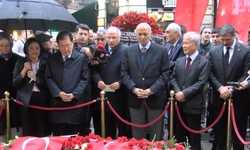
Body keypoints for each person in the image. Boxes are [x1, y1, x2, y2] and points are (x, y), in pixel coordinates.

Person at [121, 22, 170, 141]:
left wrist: (151, 90)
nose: (142, 37)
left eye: (145, 34)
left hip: (155, 98)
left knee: (156, 135)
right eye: (139, 34)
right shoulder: (128, 51)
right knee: (137, 135)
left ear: (151, 34)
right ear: (135, 35)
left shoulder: (161, 50)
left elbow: (165, 74)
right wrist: (133, 89)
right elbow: (124, 73)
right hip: (135, 100)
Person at [209, 24, 250, 150]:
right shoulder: (214, 51)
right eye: (223, 40)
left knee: (238, 135)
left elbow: (246, 73)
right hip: (219, 99)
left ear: (235, 36)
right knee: (220, 134)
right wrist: (220, 88)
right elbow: (210, 73)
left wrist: (232, 88)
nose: (225, 42)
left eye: (228, 39)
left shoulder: (245, 50)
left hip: (239, 100)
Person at [45, 31, 89, 136]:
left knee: (76, 139)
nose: (65, 49)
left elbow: (85, 79)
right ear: (57, 45)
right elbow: (48, 77)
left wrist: (74, 94)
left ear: (73, 43)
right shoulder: (52, 59)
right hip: (58, 104)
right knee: (59, 138)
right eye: (62, 46)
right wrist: (58, 93)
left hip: (75, 104)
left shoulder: (81, 58)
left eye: (68, 45)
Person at [171, 32, 209, 150]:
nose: (184, 46)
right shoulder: (180, 61)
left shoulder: (203, 62)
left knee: (194, 138)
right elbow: (173, 78)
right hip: (178, 104)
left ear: (196, 44)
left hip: (193, 105)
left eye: (187, 43)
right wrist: (178, 92)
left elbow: (201, 82)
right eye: (183, 43)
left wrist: (185, 94)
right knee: (179, 136)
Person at [92, 27, 128, 139]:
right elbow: (94, 69)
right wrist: (97, 80)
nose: (111, 40)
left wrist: (120, 83)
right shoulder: (100, 51)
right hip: (103, 98)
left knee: (122, 133)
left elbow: (128, 71)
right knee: (106, 133)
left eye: (114, 37)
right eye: (109, 37)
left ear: (120, 38)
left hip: (119, 99)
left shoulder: (126, 51)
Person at [13, 38, 51, 137]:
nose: (34, 51)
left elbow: (49, 81)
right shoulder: (21, 62)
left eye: (36, 48)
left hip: (42, 98)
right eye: (31, 48)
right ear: (27, 50)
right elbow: (15, 83)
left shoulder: (45, 63)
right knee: (28, 128)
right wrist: (24, 71)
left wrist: (35, 78)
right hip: (26, 100)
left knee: (42, 127)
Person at [0, 32, 21, 135]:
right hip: (1, 97)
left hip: (15, 97)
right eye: (2, 46)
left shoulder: (17, 59)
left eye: (7, 45)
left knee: (15, 124)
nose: (5, 48)